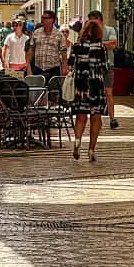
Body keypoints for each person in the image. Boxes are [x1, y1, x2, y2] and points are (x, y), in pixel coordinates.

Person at [68, 19, 109, 162]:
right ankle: (91, 149)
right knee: (95, 117)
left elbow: (70, 64)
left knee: (80, 117)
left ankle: (78, 141)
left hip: (81, 85)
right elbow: (104, 67)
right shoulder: (101, 47)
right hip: (96, 84)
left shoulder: (77, 46)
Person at [87, 10, 119, 129]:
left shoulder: (110, 30)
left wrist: (97, 44)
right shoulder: (89, 32)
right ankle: (96, 118)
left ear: (100, 20)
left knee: (108, 93)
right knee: (94, 94)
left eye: (94, 22)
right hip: (93, 67)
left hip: (107, 66)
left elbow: (113, 44)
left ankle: (112, 118)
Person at [30, 10, 67, 80]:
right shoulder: (36, 32)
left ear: (52, 19)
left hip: (53, 69)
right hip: (38, 69)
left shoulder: (59, 34)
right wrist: (28, 66)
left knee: (53, 90)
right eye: (42, 18)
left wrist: (64, 67)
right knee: (37, 90)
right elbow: (31, 50)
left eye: (45, 18)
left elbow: (63, 53)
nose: (43, 20)